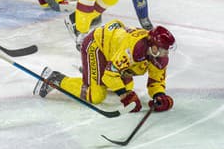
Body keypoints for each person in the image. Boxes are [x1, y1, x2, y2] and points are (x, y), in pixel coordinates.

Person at [34, 20, 175, 114]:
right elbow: (110, 75)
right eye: (163, 49)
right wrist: (124, 95)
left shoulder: (158, 55)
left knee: (127, 87)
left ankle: (94, 74)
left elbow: (156, 80)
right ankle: (54, 79)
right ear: (153, 46)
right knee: (96, 95)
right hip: (97, 45)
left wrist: (159, 95)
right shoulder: (132, 49)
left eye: (167, 49)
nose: (166, 53)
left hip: (114, 49)